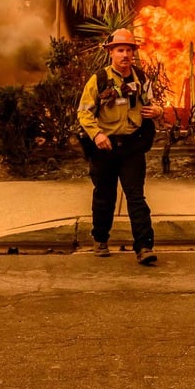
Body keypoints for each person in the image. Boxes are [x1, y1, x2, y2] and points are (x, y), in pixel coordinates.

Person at [77, 28, 163, 265]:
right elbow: (84, 114)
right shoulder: (99, 80)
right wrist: (96, 135)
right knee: (104, 195)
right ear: (111, 53)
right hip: (105, 148)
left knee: (136, 196)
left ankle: (144, 247)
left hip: (132, 147)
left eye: (129, 50)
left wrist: (158, 111)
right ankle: (101, 239)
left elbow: (152, 104)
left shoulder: (141, 79)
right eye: (120, 50)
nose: (125, 55)